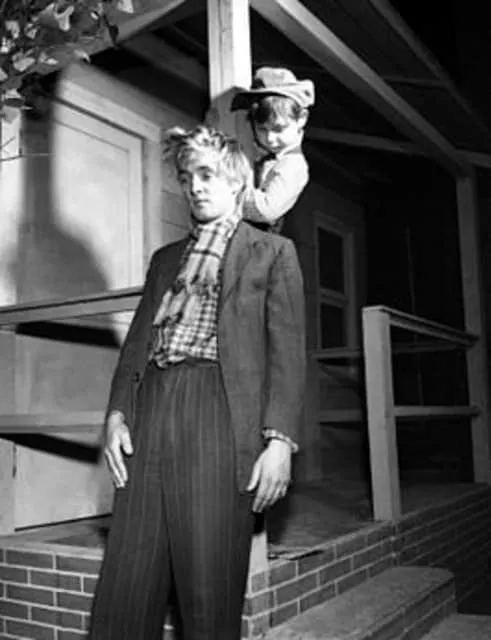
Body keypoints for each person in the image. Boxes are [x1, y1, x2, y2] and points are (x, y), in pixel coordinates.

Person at [89, 124, 306, 640]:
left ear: (236, 180)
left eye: (207, 175)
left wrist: (279, 442)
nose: (195, 187)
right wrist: (117, 415)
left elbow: (288, 354)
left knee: (208, 587)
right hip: (151, 410)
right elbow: (137, 345)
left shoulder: (272, 252)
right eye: (187, 178)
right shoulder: (166, 260)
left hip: (219, 412)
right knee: (127, 583)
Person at [231, 66, 315, 233]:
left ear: (301, 119)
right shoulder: (257, 149)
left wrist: (228, 193)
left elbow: (267, 209)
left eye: (278, 129)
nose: (269, 138)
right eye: (262, 129)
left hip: (259, 241)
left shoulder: (293, 164)